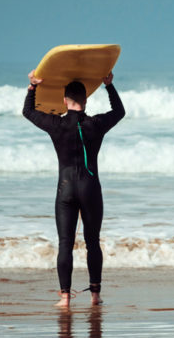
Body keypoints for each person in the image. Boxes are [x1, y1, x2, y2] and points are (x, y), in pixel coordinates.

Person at [23, 70, 125, 308]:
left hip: (66, 189)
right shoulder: (96, 124)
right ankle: (95, 296)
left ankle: (66, 298)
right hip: (90, 188)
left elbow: (27, 112)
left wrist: (32, 88)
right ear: (86, 100)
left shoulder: (56, 125)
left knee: (66, 243)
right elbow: (120, 112)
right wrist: (109, 86)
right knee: (92, 242)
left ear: (64, 101)